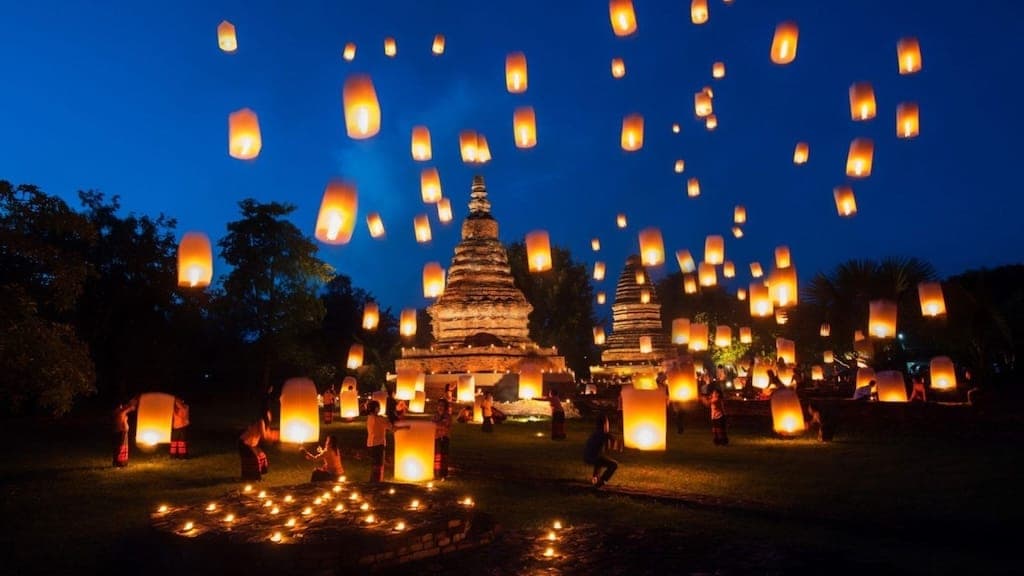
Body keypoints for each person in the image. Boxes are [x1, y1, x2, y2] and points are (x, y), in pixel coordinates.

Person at [365, 400, 409, 482]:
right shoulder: (380, 419)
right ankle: (377, 482)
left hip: (370, 444)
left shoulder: (369, 418)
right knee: (379, 465)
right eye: (378, 407)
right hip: (378, 444)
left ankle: (372, 481)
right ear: (376, 409)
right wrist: (405, 427)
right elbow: (393, 428)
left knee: (374, 465)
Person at [583, 414, 618, 489]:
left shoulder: (595, 433)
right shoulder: (603, 434)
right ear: (605, 424)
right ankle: (601, 482)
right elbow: (611, 445)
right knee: (614, 465)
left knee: (599, 461)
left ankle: (595, 479)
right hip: (592, 457)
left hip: (587, 456)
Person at [239, 411, 275, 481]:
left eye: (270, 414)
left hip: (252, 445)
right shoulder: (261, 421)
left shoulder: (265, 424)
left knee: (262, 455)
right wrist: (276, 436)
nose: (270, 416)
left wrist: (276, 435)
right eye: (268, 414)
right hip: (244, 444)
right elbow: (264, 436)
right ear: (265, 415)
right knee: (255, 458)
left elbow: (268, 434)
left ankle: (251, 477)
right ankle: (254, 477)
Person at [112, 397, 138, 468]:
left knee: (121, 447)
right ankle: (120, 463)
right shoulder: (118, 412)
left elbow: (128, 409)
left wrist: (131, 405)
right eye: (120, 406)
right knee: (120, 447)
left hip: (122, 431)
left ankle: (121, 462)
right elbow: (126, 409)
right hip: (121, 431)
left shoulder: (119, 411)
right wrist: (131, 405)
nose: (121, 406)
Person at [432, 398, 452, 480]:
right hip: (436, 438)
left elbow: (443, 425)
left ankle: (443, 474)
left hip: (444, 438)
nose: (440, 407)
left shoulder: (447, 416)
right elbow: (432, 425)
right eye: (439, 405)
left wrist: (436, 425)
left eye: (442, 406)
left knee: (443, 456)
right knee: (436, 456)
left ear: (445, 407)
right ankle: (436, 472)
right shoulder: (435, 415)